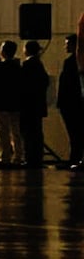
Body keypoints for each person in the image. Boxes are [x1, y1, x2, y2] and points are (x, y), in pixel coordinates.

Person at [19, 40, 50, 168]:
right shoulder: (38, 64)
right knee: (36, 131)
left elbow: (22, 84)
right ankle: (37, 158)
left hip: (28, 105)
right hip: (37, 104)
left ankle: (30, 158)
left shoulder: (27, 64)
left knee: (28, 132)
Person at [0, 40, 22, 166]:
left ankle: (5, 157)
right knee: (16, 132)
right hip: (16, 103)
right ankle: (18, 157)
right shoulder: (18, 67)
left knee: (3, 132)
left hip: (2, 103)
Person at [58, 33, 82, 169]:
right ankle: (75, 158)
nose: (65, 46)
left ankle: (75, 158)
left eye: (67, 44)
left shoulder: (70, 62)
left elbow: (67, 85)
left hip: (70, 103)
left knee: (74, 133)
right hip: (74, 103)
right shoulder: (76, 62)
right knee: (76, 133)